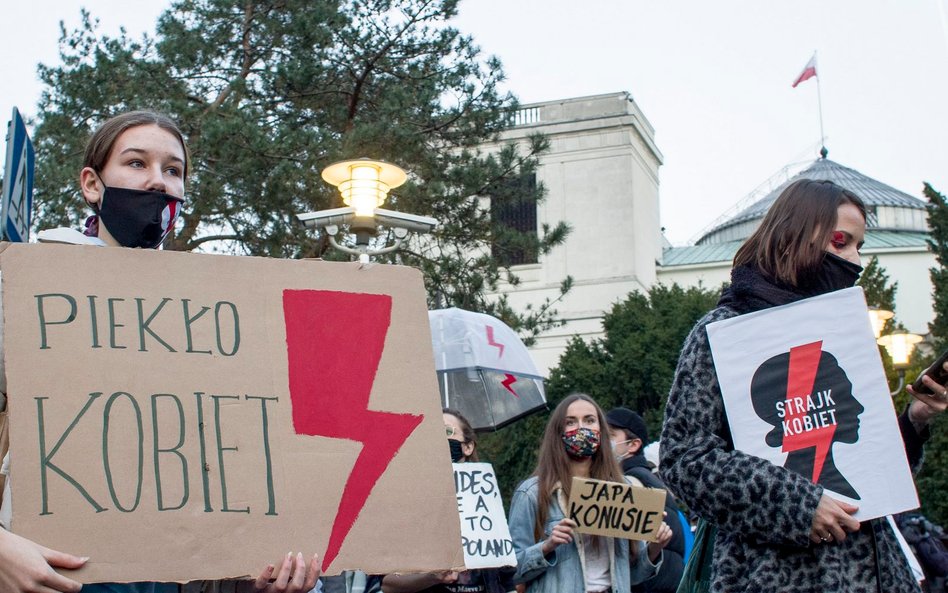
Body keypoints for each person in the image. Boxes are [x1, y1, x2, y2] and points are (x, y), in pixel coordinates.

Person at [0, 110, 320, 593]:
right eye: (136, 163)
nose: (158, 182)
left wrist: (266, 566)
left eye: (173, 171)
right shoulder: (22, 289)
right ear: (92, 184)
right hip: (46, 570)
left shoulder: (211, 318)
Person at [659, 178, 948, 593]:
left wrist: (914, 420)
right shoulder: (723, 331)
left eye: (858, 246)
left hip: (875, 567)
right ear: (794, 235)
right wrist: (800, 505)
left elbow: (866, 462)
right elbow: (684, 458)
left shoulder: (844, 336)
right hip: (772, 575)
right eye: (840, 241)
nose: (855, 259)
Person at [508, 394, 672, 593]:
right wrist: (547, 546)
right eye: (570, 422)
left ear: (601, 430)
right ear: (558, 432)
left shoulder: (623, 489)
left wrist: (656, 546)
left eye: (589, 420)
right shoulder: (531, 493)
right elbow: (511, 572)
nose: (581, 428)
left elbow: (634, 575)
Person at [381, 408, 514, 593]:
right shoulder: (409, 508)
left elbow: (507, 578)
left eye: (446, 432)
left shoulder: (487, 503)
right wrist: (431, 577)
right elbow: (387, 584)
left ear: (468, 446)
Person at [605, 408, 686, 593]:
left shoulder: (631, 482)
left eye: (609, 435)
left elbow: (631, 552)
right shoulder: (643, 477)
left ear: (633, 445)